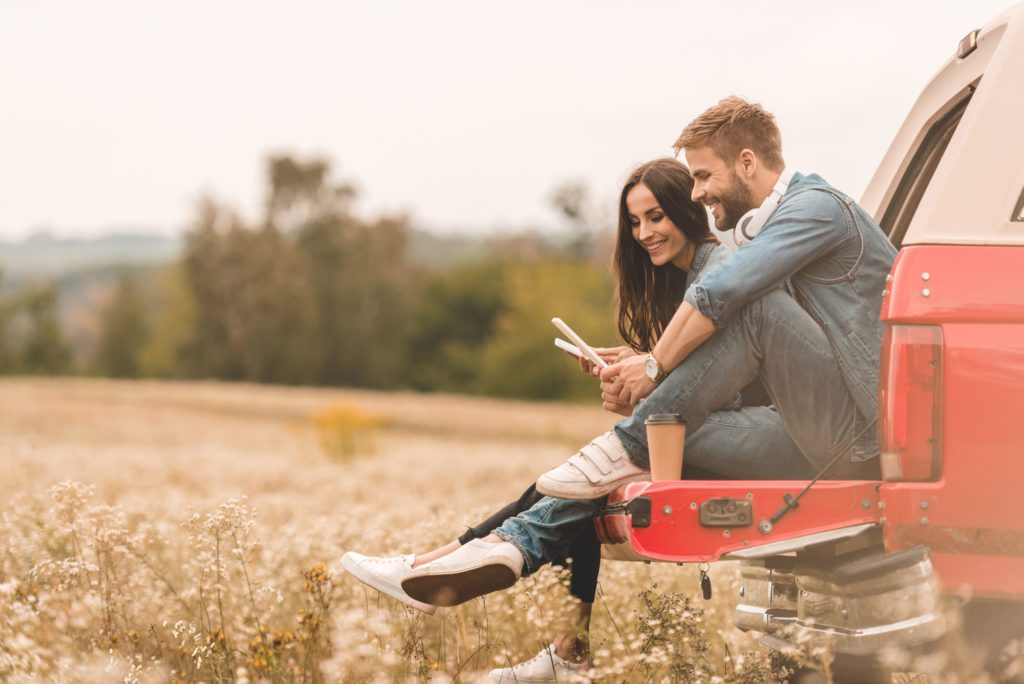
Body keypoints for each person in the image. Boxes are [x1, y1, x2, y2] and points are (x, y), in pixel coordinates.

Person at [399, 96, 898, 612]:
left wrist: (654, 368)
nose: (699, 192)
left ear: (747, 162)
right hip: (810, 430)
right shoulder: (776, 225)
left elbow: (726, 290)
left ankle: (595, 470)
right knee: (660, 433)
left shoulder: (817, 208)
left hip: (856, 437)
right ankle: (512, 555)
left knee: (750, 311)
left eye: (703, 176)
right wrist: (649, 371)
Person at [342, 156, 800, 683]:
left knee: (590, 477)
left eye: (656, 216)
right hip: (718, 437)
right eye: (634, 221)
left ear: (684, 210)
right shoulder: (684, 280)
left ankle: (480, 562)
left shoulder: (716, 271)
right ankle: (494, 593)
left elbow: (727, 391)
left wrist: (646, 378)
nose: (645, 232)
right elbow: (704, 386)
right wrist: (635, 365)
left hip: (759, 443)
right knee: (584, 484)